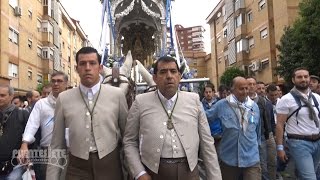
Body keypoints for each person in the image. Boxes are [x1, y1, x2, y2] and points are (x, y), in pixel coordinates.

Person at [123, 56, 221, 180]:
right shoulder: (141, 102)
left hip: (189, 173)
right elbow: (129, 141)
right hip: (153, 173)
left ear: (179, 76)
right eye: (163, 72)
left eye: (173, 71)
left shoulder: (194, 100)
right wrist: (139, 173)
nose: (169, 76)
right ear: (155, 78)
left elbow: (207, 143)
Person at [46, 47, 128, 180]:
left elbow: (127, 138)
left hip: (110, 165)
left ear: (100, 68)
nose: (87, 68)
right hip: (76, 168)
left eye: (92, 63)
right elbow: (57, 144)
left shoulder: (117, 95)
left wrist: (132, 171)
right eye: (83, 64)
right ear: (76, 68)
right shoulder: (64, 98)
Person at [206, 76, 261, 180]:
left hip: (251, 158)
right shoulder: (222, 105)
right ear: (233, 89)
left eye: (246, 88)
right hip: (229, 159)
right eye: (241, 89)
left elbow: (258, 130)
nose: (245, 91)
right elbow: (205, 118)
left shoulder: (254, 106)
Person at [19, 71, 68, 180]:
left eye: (59, 81)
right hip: (47, 152)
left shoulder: (72, 102)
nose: (56, 84)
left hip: (69, 151)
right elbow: (32, 124)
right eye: (53, 81)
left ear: (66, 84)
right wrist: (24, 144)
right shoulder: (41, 104)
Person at [276, 67, 320, 179]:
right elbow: (280, 125)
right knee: (310, 177)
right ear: (293, 80)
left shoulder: (317, 98)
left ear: (309, 78)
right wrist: (280, 148)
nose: (303, 79)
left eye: (306, 76)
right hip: (299, 143)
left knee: (307, 174)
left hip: (317, 141)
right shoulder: (286, 99)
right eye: (299, 77)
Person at [247, 78, 276, 180]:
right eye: (249, 84)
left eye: (253, 84)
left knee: (272, 162)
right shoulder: (243, 102)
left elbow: (270, 119)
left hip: (266, 135)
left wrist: (272, 133)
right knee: (261, 164)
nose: (251, 86)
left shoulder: (264, 101)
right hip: (252, 137)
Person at [0, 85, 29, 179]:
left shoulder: (22, 114)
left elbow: (30, 137)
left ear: (11, 96)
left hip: (15, 166)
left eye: (2, 95)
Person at [201, 83, 222, 149]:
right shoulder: (200, 105)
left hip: (219, 134)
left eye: (210, 92)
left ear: (213, 92)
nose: (208, 94)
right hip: (207, 135)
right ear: (204, 93)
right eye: (206, 92)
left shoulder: (219, 103)